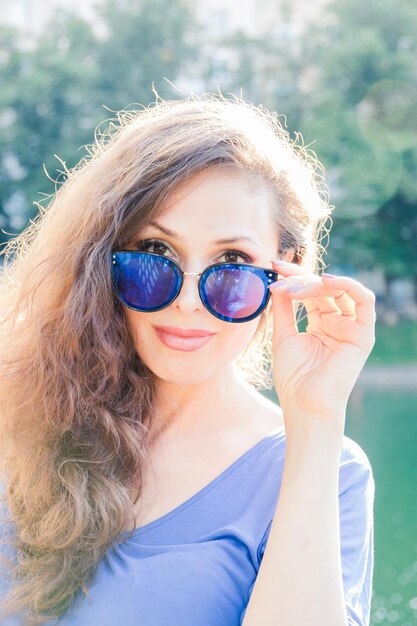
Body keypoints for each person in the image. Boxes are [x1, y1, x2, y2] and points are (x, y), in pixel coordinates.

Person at [0, 94, 375, 626]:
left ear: (284, 274)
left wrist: (315, 420)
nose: (188, 301)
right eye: (156, 253)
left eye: (231, 261)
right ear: (98, 261)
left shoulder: (327, 470)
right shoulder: (18, 430)